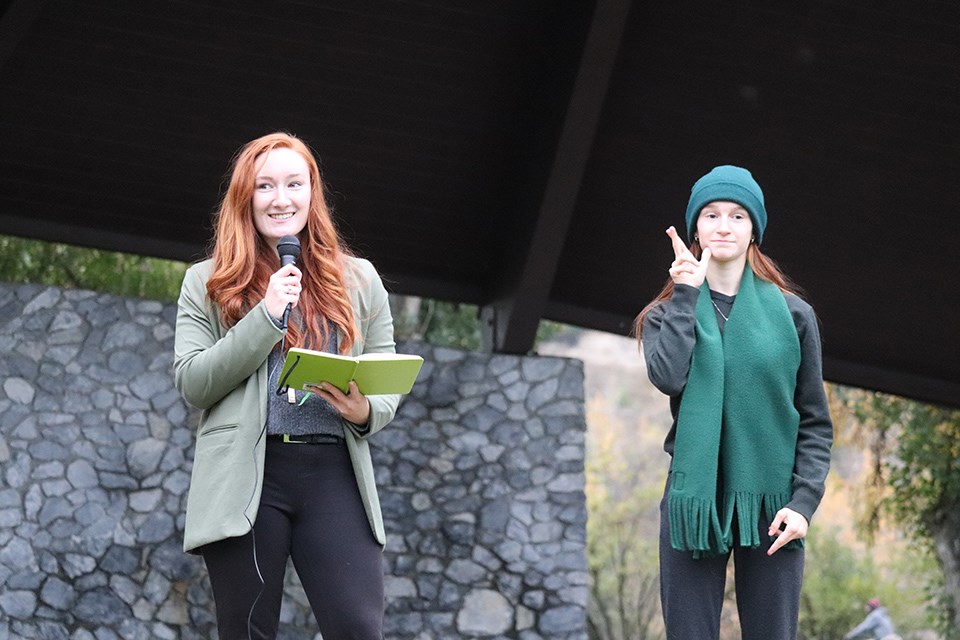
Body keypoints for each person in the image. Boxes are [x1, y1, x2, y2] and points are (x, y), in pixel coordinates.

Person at [174, 132, 400, 640]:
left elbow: (385, 365)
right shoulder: (207, 282)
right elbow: (193, 381)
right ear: (245, 198)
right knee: (248, 631)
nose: (281, 198)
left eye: (294, 183)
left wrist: (365, 409)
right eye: (265, 186)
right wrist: (267, 315)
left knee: (359, 629)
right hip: (248, 477)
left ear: (312, 193)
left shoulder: (359, 280)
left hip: (333, 472)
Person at [634, 165, 834, 639]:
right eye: (711, 215)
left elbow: (815, 422)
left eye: (737, 216)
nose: (723, 226)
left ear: (753, 230)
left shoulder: (794, 315)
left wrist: (803, 503)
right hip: (693, 499)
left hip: (774, 505)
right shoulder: (668, 313)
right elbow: (668, 377)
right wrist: (686, 296)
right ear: (695, 230)